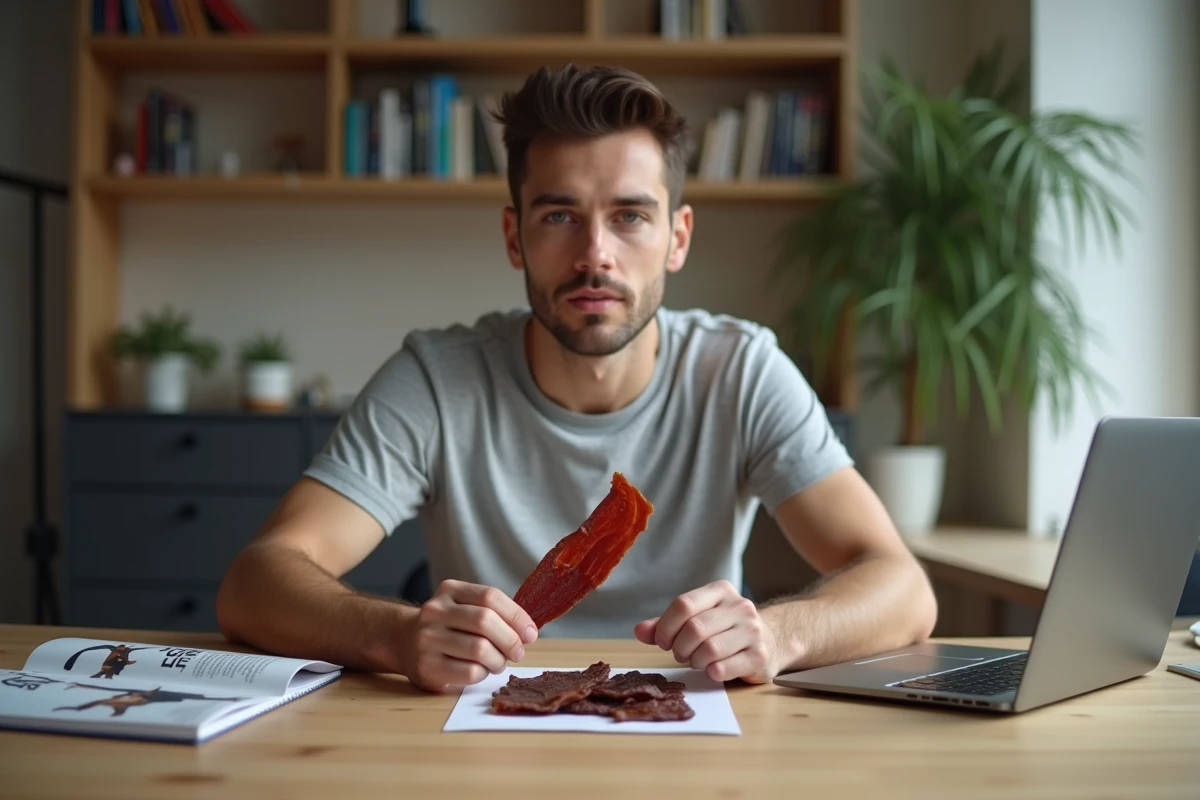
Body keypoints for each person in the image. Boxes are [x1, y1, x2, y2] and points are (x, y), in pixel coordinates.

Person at [216, 63, 938, 694]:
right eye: (560, 215)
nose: (596, 255)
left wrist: (781, 635)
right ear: (514, 236)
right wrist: (397, 636)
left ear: (676, 238)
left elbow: (902, 588)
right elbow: (257, 581)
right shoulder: (437, 379)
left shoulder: (741, 370)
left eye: (630, 216)